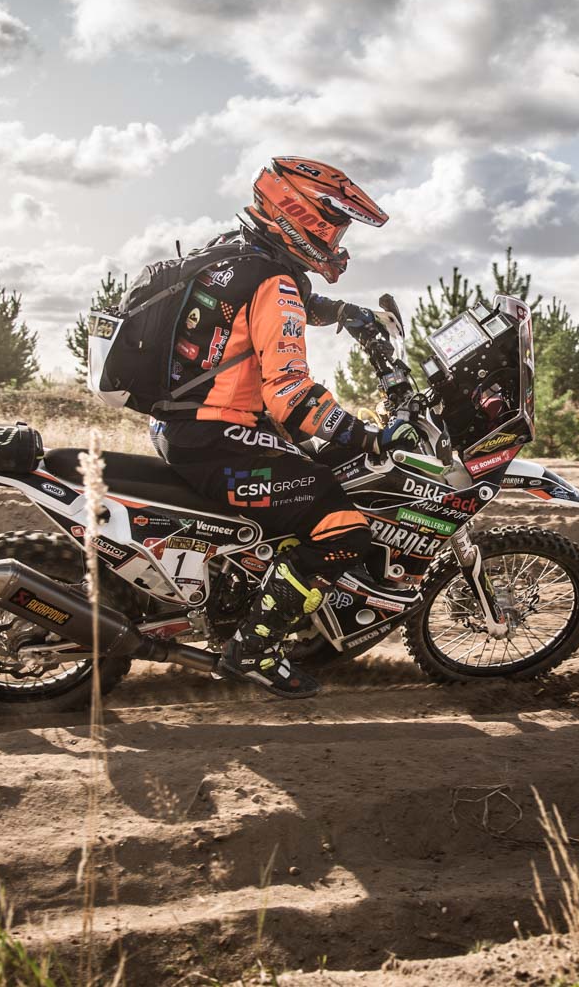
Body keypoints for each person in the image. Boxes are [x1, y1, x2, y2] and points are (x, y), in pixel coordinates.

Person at [150, 156, 423, 699]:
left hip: (185, 424)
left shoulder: (238, 253)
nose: (337, 241)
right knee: (342, 528)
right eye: (334, 227)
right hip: (216, 438)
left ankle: (248, 593)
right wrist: (369, 436)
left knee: (314, 470)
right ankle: (254, 651)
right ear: (301, 217)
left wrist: (343, 313)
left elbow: (274, 303)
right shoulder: (274, 282)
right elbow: (292, 397)